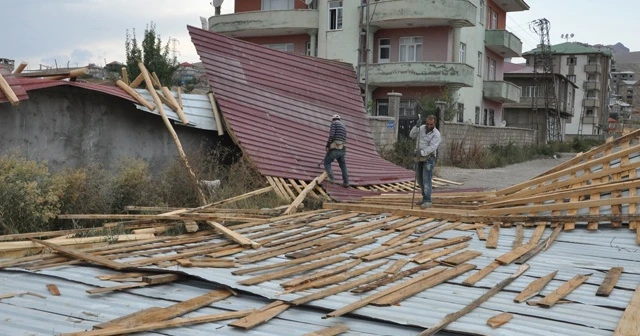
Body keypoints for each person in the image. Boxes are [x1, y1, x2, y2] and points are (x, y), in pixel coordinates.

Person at [409, 114, 441, 209]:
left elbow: (432, 147)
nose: (429, 126)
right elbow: (412, 135)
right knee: (419, 178)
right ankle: (424, 197)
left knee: (426, 179)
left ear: (434, 124)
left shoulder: (436, 134)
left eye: (431, 124)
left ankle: (428, 200)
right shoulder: (421, 128)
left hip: (429, 158)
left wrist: (422, 152)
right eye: (427, 124)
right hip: (419, 157)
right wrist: (416, 126)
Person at [324, 114, 349, 187]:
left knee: (327, 162)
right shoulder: (344, 126)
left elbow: (332, 135)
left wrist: (328, 144)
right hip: (343, 149)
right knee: (343, 165)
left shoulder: (334, 124)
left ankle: (331, 178)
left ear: (333, 119)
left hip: (335, 148)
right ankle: (346, 182)